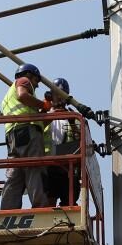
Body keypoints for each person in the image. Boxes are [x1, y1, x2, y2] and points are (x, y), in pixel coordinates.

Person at [0, 62, 50, 210]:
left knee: (15, 174)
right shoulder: (23, 81)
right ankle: (40, 207)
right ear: (29, 75)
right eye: (36, 81)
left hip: (13, 136)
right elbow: (23, 95)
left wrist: (43, 113)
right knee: (34, 169)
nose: (37, 86)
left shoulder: (8, 95)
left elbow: (25, 109)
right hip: (27, 132)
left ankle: (7, 210)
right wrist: (43, 105)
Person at [43, 78, 83, 207]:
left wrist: (71, 121)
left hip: (68, 167)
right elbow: (35, 131)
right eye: (56, 95)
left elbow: (82, 139)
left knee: (69, 203)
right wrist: (49, 116)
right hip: (48, 165)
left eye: (62, 95)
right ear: (50, 96)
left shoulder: (75, 117)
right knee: (48, 202)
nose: (59, 99)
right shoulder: (43, 115)